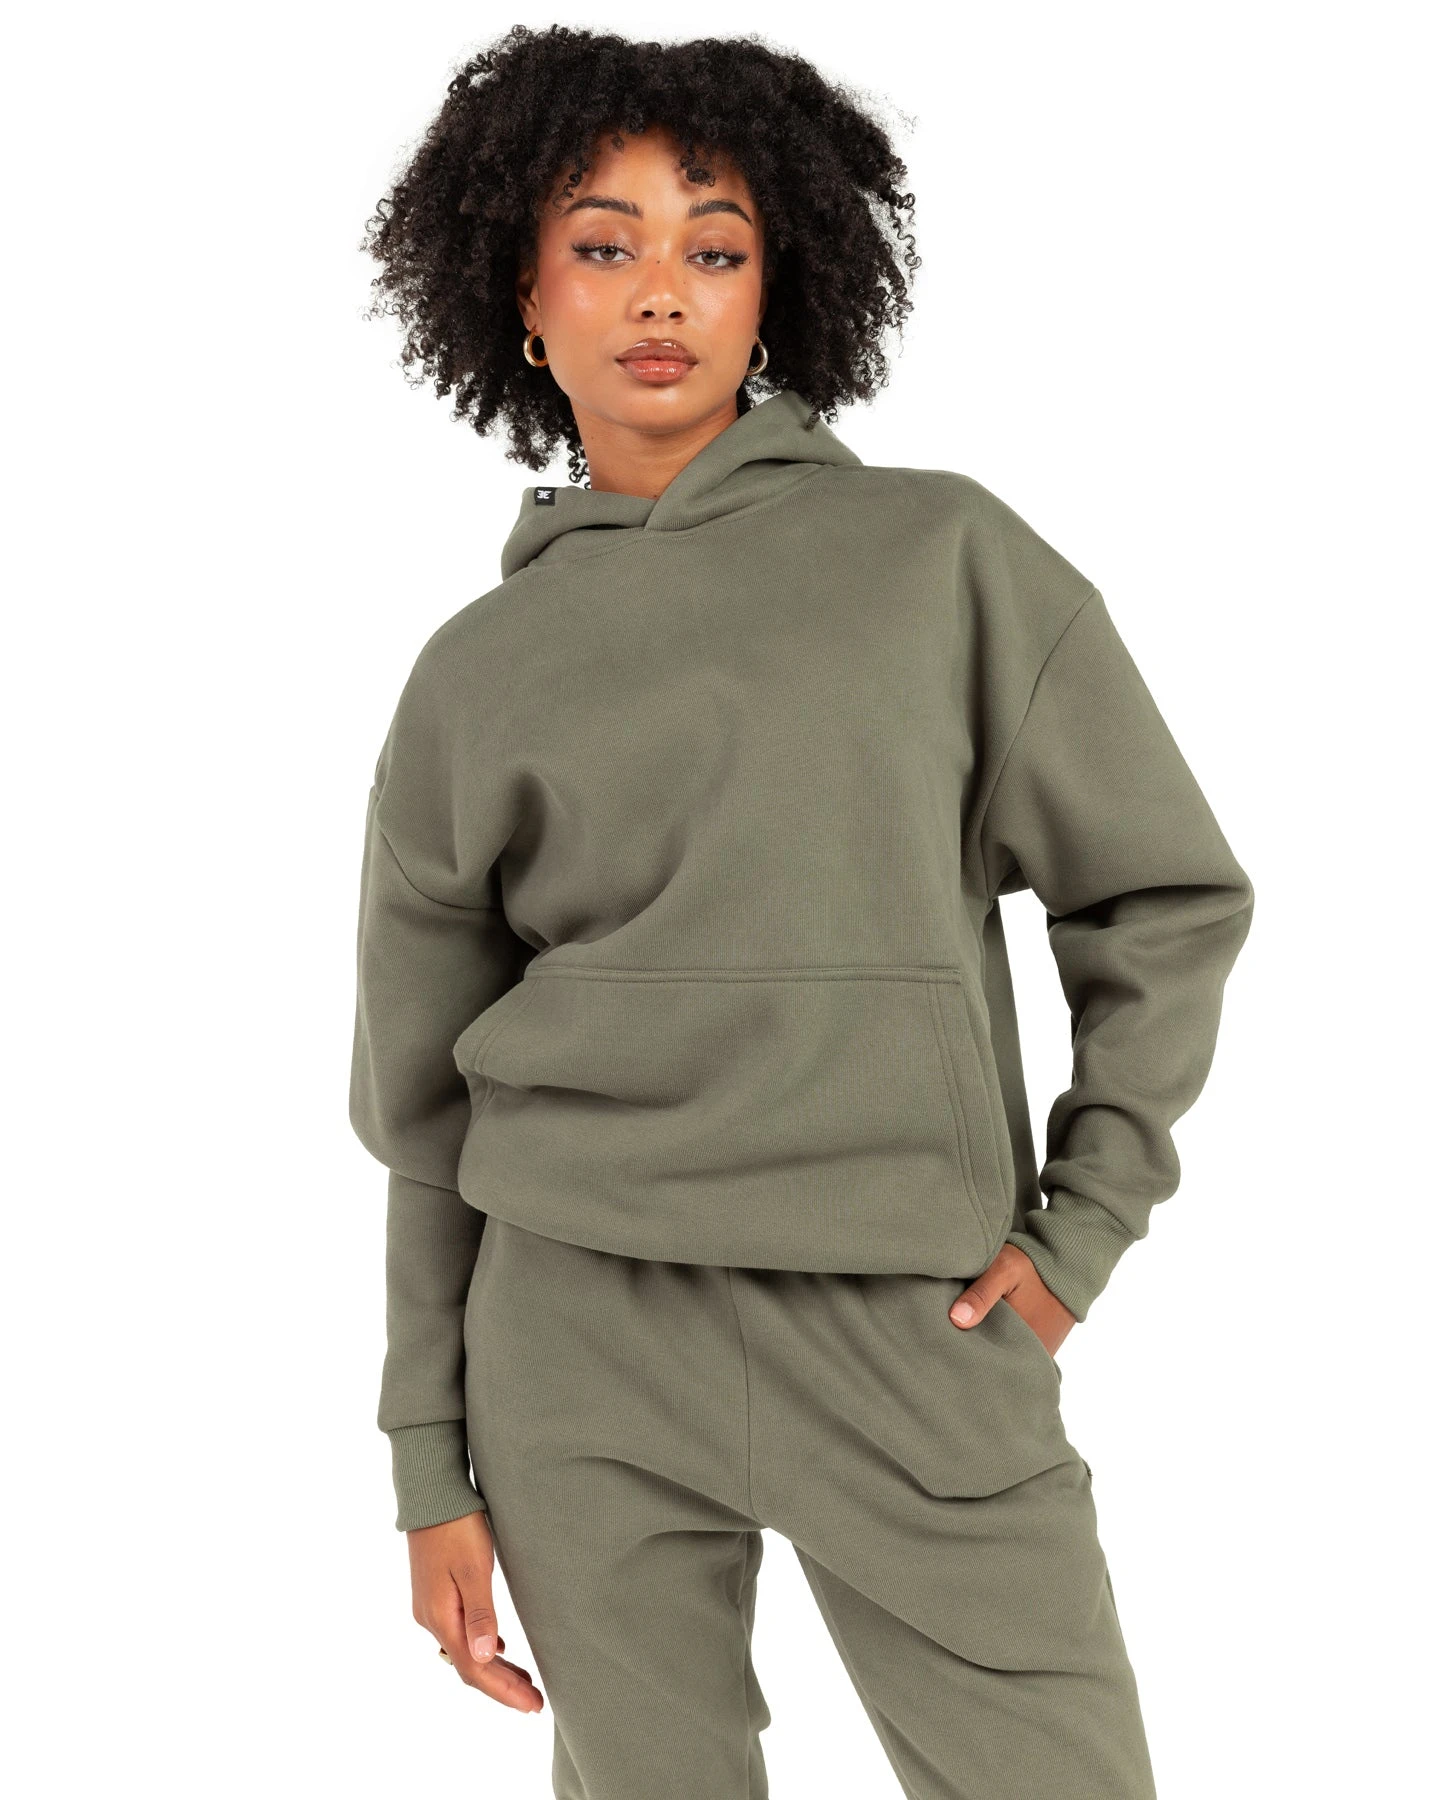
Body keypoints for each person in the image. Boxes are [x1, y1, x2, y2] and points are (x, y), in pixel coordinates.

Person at [348, 25, 1254, 1800]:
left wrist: (1083, 1230)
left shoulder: (943, 560)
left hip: (908, 1326)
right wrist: (427, 1460)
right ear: (520, 296)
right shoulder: (475, 673)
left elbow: (1162, 895)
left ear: (779, 288)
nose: (659, 293)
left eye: (716, 246)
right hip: (575, 1340)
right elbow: (425, 1110)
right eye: (601, 244)